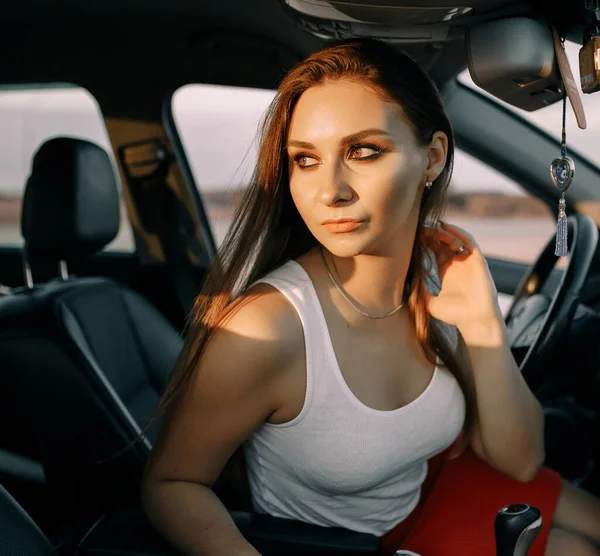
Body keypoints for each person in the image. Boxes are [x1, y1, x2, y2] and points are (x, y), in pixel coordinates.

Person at [141, 38, 600, 555]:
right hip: (349, 545)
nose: (329, 190)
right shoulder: (265, 329)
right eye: (305, 160)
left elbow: (520, 460)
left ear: (432, 159)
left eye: (363, 152)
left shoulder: (443, 272)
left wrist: (482, 323)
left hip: (430, 489)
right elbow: (172, 484)